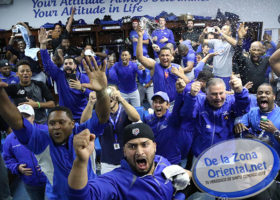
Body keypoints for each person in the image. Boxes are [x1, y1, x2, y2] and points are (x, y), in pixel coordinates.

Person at [0, 51, 110, 199]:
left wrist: (102, 92)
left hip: (89, 194)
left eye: (61, 122)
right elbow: (18, 122)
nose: (56, 126)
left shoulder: (82, 131)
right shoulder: (42, 140)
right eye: (52, 123)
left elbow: (102, 117)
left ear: (72, 124)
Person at [68, 123, 192, 200]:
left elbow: (187, 175)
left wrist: (181, 188)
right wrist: (80, 161)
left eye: (145, 145)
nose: (139, 151)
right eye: (132, 146)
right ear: (124, 152)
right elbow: (82, 196)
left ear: (154, 146)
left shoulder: (162, 162)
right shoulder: (115, 181)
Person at [180, 76, 250, 157]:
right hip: (201, 155)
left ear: (226, 92)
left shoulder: (231, 101)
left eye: (221, 93)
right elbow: (187, 115)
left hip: (226, 156)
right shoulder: (199, 100)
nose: (218, 98)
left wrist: (240, 92)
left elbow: (243, 109)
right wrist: (191, 96)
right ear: (206, 94)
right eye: (214, 94)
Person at [80, 85, 140, 174]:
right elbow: (83, 124)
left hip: (126, 161)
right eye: (107, 94)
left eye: (112, 92)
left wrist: (122, 99)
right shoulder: (100, 114)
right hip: (107, 163)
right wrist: (91, 103)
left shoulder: (125, 111)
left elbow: (136, 118)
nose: (110, 96)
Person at [39, 27, 91, 122]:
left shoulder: (83, 78)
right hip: (65, 116)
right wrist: (43, 45)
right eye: (65, 64)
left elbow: (93, 95)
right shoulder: (59, 75)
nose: (67, 66)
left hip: (82, 116)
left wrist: (82, 88)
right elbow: (47, 64)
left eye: (70, 63)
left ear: (75, 66)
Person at [3, 104, 47, 200]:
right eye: (21, 117)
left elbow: (58, 151)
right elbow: (8, 159)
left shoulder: (46, 131)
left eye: (27, 116)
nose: (23, 120)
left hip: (51, 179)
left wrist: (49, 165)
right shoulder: (10, 139)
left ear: (33, 117)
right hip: (30, 182)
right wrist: (17, 167)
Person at [136, 26, 189, 104]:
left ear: (171, 57)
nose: (165, 57)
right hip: (159, 104)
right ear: (159, 57)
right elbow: (140, 57)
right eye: (162, 55)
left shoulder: (178, 68)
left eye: (167, 55)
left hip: (175, 103)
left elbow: (188, 82)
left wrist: (177, 73)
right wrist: (140, 37)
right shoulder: (154, 66)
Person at [234, 23, 280, 94]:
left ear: (262, 51)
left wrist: (271, 41)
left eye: (258, 50)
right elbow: (237, 54)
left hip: (260, 95)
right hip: (246, 93)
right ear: (249, 50)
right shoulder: (245, 61)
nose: (256, 52)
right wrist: (240, 38)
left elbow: (275, 56)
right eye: (254, 49)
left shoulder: (266, 60)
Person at [235, 83, 280, 155]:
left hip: (276, 160)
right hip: (257, 160)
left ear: (274, 97)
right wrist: (238, 125)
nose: (263, 95)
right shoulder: (252, 112)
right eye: (260, 93)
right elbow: (239, 124)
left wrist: (274, 131)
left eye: (267, 93)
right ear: (256, 97)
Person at [5, 60, 55, 124]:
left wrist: (37, 104)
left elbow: (52, 104)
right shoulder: (13, 88)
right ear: (17, 74)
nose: (25, 73)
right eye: (22, 71)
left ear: (31, 73)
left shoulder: (40, 85)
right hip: (22, 124)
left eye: (27, 71)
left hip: (41, 123)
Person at [143, 91, 182, 164]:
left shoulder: (173, 118)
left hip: (172, 161)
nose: (157, 105)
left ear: (168, 105)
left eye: (161, 102)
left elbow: (178, 107)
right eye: (155, 102)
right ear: (152, 104)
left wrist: (180, 93)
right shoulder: (147, 119)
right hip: (155, 160)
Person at [199, 24, 239, 90]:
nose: (222, 31)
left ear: (230, 33)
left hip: (226, 76)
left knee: (225, 95)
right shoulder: (216, 42)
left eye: (225, 29)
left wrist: (220, 32)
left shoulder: (230, 44)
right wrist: (203, 33)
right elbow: (201, 41)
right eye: (222, 29)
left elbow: (236, 44)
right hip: (215, 74)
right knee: (214, 93)